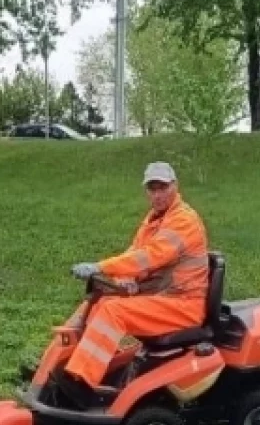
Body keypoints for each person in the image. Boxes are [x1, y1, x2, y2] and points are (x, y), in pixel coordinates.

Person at [51, 161, 209, 408]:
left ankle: (81, 383)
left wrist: (101, 267)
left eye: (162, 187)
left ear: (175, 186)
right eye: (152, 189)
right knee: (100, 301)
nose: (157, 194)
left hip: (183, 304)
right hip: (163, 297)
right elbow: (136, 252)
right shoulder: (154, 220)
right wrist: (125, 279)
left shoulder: (183, 220)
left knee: (114, 312)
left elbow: (151, 256)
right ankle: (60, 362)